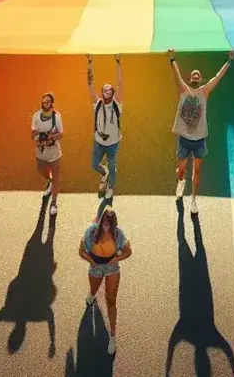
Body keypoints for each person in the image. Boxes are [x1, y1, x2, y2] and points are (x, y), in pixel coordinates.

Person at [167, 48, 234, 214]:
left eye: (198, 75)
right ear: (190, 79)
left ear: (200, 79)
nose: (196, 77)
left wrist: (229, 61)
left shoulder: (204, 91)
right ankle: (181, 182)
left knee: (197, 169)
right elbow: (176, 74)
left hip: (199, 141)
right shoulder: (184, 90)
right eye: (193, 76)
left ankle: (194, 200)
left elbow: (217, 77)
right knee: (181, 169)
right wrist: (172, 59)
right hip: (184, 139)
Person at [80, 207, 132, 356]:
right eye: (104, 224)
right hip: (95, 267)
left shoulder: (118, 234)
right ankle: (92, 294)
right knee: (94, 290)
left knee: (111, 300)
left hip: (111, 268)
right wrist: (92, 262)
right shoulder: (90, 232)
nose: (106, 228)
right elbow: (81, 251)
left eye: (109, 225)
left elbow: (129, 251)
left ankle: (113, 336)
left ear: (113, 224)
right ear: (101, 222)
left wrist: (117, 258)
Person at [88, 53, 124, 200]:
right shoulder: (98, 103)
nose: (107, 91)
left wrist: (118, 62)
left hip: (113, 143)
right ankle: (105, 174)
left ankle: (110, 187)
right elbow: (90, 84)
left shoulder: (117, 104)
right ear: (102, 92)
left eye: (110, 90)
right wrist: (90, 63)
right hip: (99, 142)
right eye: (104, 90)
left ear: (113, 92)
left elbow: (120, 83)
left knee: (113, 165)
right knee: (95, 164)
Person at [32, 92, 64, 216]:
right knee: (41, 170)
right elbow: (32, 133)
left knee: (56, 177)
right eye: (44, 101)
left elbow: (61, 133)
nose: (45, 103)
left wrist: (52, 137)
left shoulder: (57, 117)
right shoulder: (36, 116)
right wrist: (38, 139)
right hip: (41, 151)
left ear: (52, 103)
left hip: (54, 151)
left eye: (48, 102)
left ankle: (54, 203)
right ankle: (50, 181)